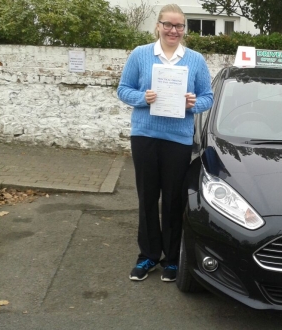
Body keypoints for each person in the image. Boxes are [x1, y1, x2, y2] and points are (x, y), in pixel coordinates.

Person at [117, 4, 213, 282]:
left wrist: (194, 103)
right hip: (145, 135)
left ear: (185, 29)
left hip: (178, 139)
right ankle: (147, 256)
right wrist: (141, 98)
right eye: (168, 25)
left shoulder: (195, 60)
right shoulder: (140, 54)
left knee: (174, 199)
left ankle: (172, 259)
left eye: (179, 26)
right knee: (147, 197)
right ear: (158, 26)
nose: (173, 30)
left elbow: (208, 97)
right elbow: (123, 89)